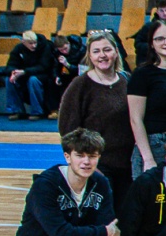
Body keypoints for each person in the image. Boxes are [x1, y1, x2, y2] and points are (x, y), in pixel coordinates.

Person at [57, 33, 136, 208]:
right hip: (98, 167)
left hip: (128, 164)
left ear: (116, 52)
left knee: (126, 216)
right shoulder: (80, 85)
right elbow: (68, 130)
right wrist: (87, 163)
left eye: (107, 50)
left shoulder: (126, 80)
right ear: (90, 56)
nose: (102, 55)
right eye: (96, 51)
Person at [128, 22, 166, 174]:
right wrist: (148, 158)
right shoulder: (142, 74)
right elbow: (136, 119)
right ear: (152, 44)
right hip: (153, 145)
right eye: (160, 39)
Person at [5, 30, 53, 120]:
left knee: (33, 80)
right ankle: (16, 110)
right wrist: (13, 73)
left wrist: (24, 72)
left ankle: (37, 111)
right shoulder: (18, 49)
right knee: (9, 80)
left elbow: (43, 66)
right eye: (30, 43)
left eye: (35, 43)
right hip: (25, 74)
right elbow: (10, 65)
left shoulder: (45, 47)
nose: (34, 46)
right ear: (23, 42)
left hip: (42, 75)